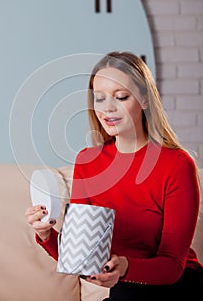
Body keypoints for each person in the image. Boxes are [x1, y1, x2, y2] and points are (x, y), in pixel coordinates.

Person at [25, 52, 203, 299]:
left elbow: (172, 266)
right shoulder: (88, 161)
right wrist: (46, 235)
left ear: (144, 99)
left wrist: (126, 268)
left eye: (120, 97)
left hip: (177, 285)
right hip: (126, 287)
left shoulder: (177, 164)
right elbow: (80, 257)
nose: (108, 108)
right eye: (99, 98)